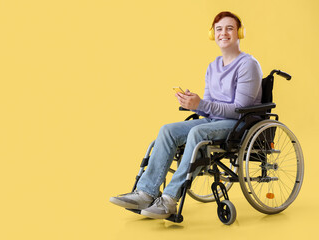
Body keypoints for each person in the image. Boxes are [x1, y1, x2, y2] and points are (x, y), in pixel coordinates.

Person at [110, 11, 263, 219]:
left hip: (238, 124)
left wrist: (202, 104)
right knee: (168, 130)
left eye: (230, 28)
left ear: (240, 33)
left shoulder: (248, 64)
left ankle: (169, 200)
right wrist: (194, 105)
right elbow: (209, 105)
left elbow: (240, 108)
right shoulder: (213, 66)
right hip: (212, 122)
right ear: (213, 34)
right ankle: (146, 192)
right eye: (219, 29)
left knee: (197, 133)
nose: (223, 33)